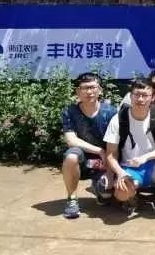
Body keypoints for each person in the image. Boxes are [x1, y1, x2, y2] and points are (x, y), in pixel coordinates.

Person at [104, 78, 155, 221]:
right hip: (129, 168)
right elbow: (110, 155)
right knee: (121, 194)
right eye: (137, 94)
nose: (140, 99)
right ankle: (131, 197)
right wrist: (120, 173)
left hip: (154, 167)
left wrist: (145, 158)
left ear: (153, 97)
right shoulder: (118, 119)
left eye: (145, 95)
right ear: (130, 96)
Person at [61, 73, 117, 219]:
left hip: (105, 161)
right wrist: (99, 150)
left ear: (100, 90)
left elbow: (115, 144)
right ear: (78, 91)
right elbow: (71, 140)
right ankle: (72, 199)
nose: (89, 92)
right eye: (85, 88)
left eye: (93, 87)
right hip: (83, 159)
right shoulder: (70, 111)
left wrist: (110, 171)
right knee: (71, 156)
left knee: (106, 195)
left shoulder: (111, 112)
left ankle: (99, 189)